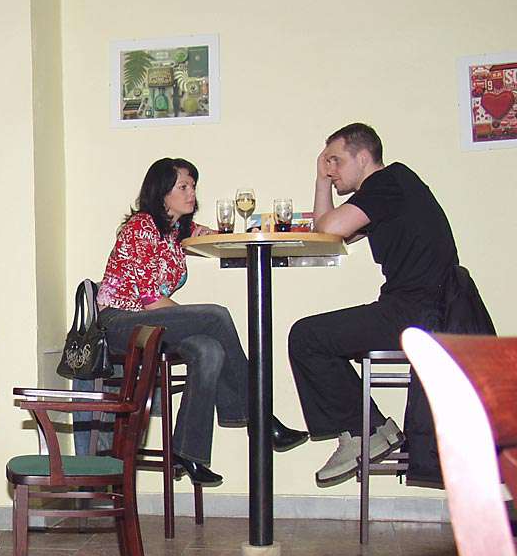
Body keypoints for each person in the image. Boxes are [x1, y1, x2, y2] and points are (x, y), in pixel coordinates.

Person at [96, 157, 308, 485]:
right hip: (120, 322)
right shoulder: (142, 226)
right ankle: (261, 419)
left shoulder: (175, 231)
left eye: (193, 186)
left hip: (148, 322)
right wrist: (195, 319)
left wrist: (242, 230)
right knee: (214, 316)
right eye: (183, 186)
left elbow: (208, 235)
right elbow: (151, 300)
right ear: (161, 192)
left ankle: (187, 452)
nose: (191, 193)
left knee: (209, 349)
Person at [289, 123, 458, 485]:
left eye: (336, 161)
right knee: (313, 337)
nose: (330, 170)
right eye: (327, 163)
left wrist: (321, 181)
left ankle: (365, 433)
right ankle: (368, 431)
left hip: (420, 313)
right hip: (418, 309)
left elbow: (329, 229)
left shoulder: (387, 182)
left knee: (306, 337)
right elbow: (327, 231)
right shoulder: (389, 192)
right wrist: (321, 178)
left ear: (364, 158)